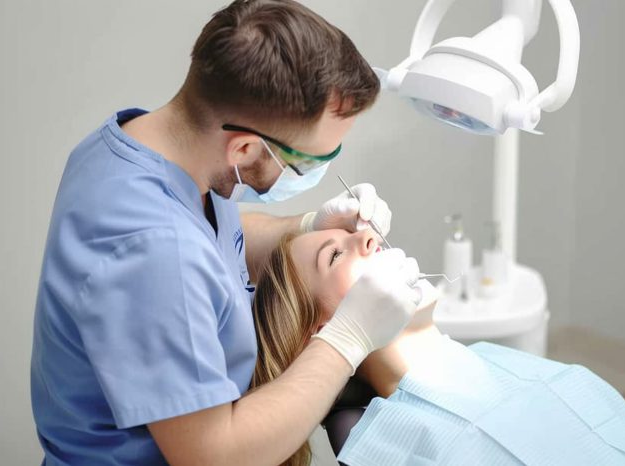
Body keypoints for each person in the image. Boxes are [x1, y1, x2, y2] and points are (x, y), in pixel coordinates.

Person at [31, 1, 422, 465]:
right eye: (307, 163)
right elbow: (214, 457)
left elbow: (207, 241)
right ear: (243, 147)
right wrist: (348, 339)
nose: (313, 172)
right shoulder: (154, 250)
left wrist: (307, 226)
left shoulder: (138, 146)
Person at [251, 228, 625, 466]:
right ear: (325, 330)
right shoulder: (393, 446)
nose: (369, 236)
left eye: (355, 231)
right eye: (335, 255)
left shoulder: (496, 362)